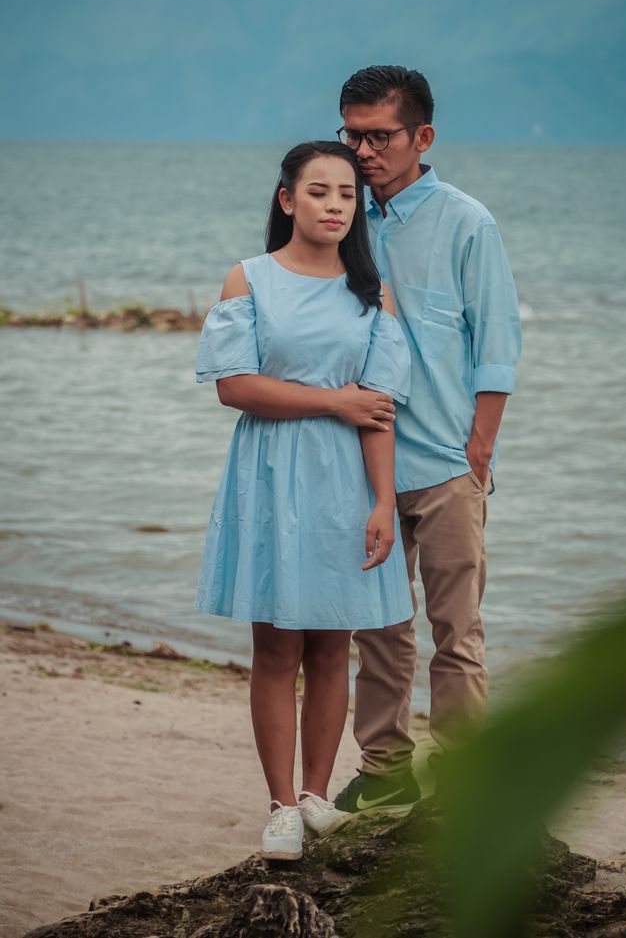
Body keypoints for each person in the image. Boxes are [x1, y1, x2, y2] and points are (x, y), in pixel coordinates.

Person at [194, 140, 413, 859]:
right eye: (319, 191)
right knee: (276, 645)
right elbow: (236, 385)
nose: (334, 205)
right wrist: (334, 402)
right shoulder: (249, 278)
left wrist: (383, 502)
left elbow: (376, 409)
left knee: (334, 641)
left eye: (347, 194)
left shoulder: (371, 292)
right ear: (288, 199)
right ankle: (280, 803)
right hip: (271, 473)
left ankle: (317, 795)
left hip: (347, 483)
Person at [332, 66, 522, 815]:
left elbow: (498, 345)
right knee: (377, 628)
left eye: (379, 135)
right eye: (353, 134)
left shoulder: (468, 222)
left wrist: (479, 452)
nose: (364, 150)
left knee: (458, 631)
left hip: (447, 465)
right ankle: (385, 766)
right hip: (365, 464)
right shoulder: (344, 217)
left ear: (422, 137)